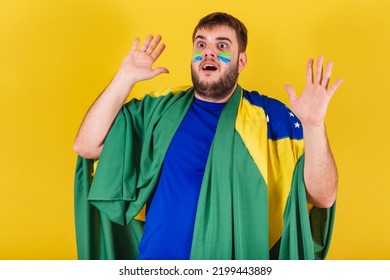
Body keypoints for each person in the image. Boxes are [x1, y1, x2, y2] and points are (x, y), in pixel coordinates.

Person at [73, 12, 343, 260]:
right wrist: (124, 78)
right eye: (201, 45)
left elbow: (323, 196)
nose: (208, 53)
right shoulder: (158, 109)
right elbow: (87, 146)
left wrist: (315, 125)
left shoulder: (271, 118)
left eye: (222, 46)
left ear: (242, 61)